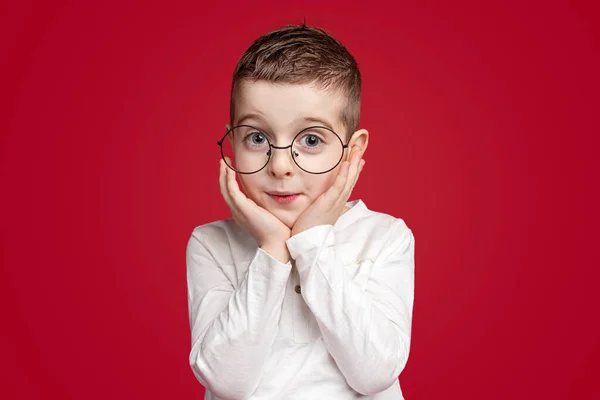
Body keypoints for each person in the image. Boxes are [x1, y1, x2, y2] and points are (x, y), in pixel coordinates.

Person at [186, 23, 415, 400]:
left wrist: (311, 243)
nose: (279, 166)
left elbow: (375, 373)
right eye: (257, 138)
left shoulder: (385, 237)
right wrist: (272, 249)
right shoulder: (211, 243)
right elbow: (226, 381)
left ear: (352, 151)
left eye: (311, 140)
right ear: (234, 142)